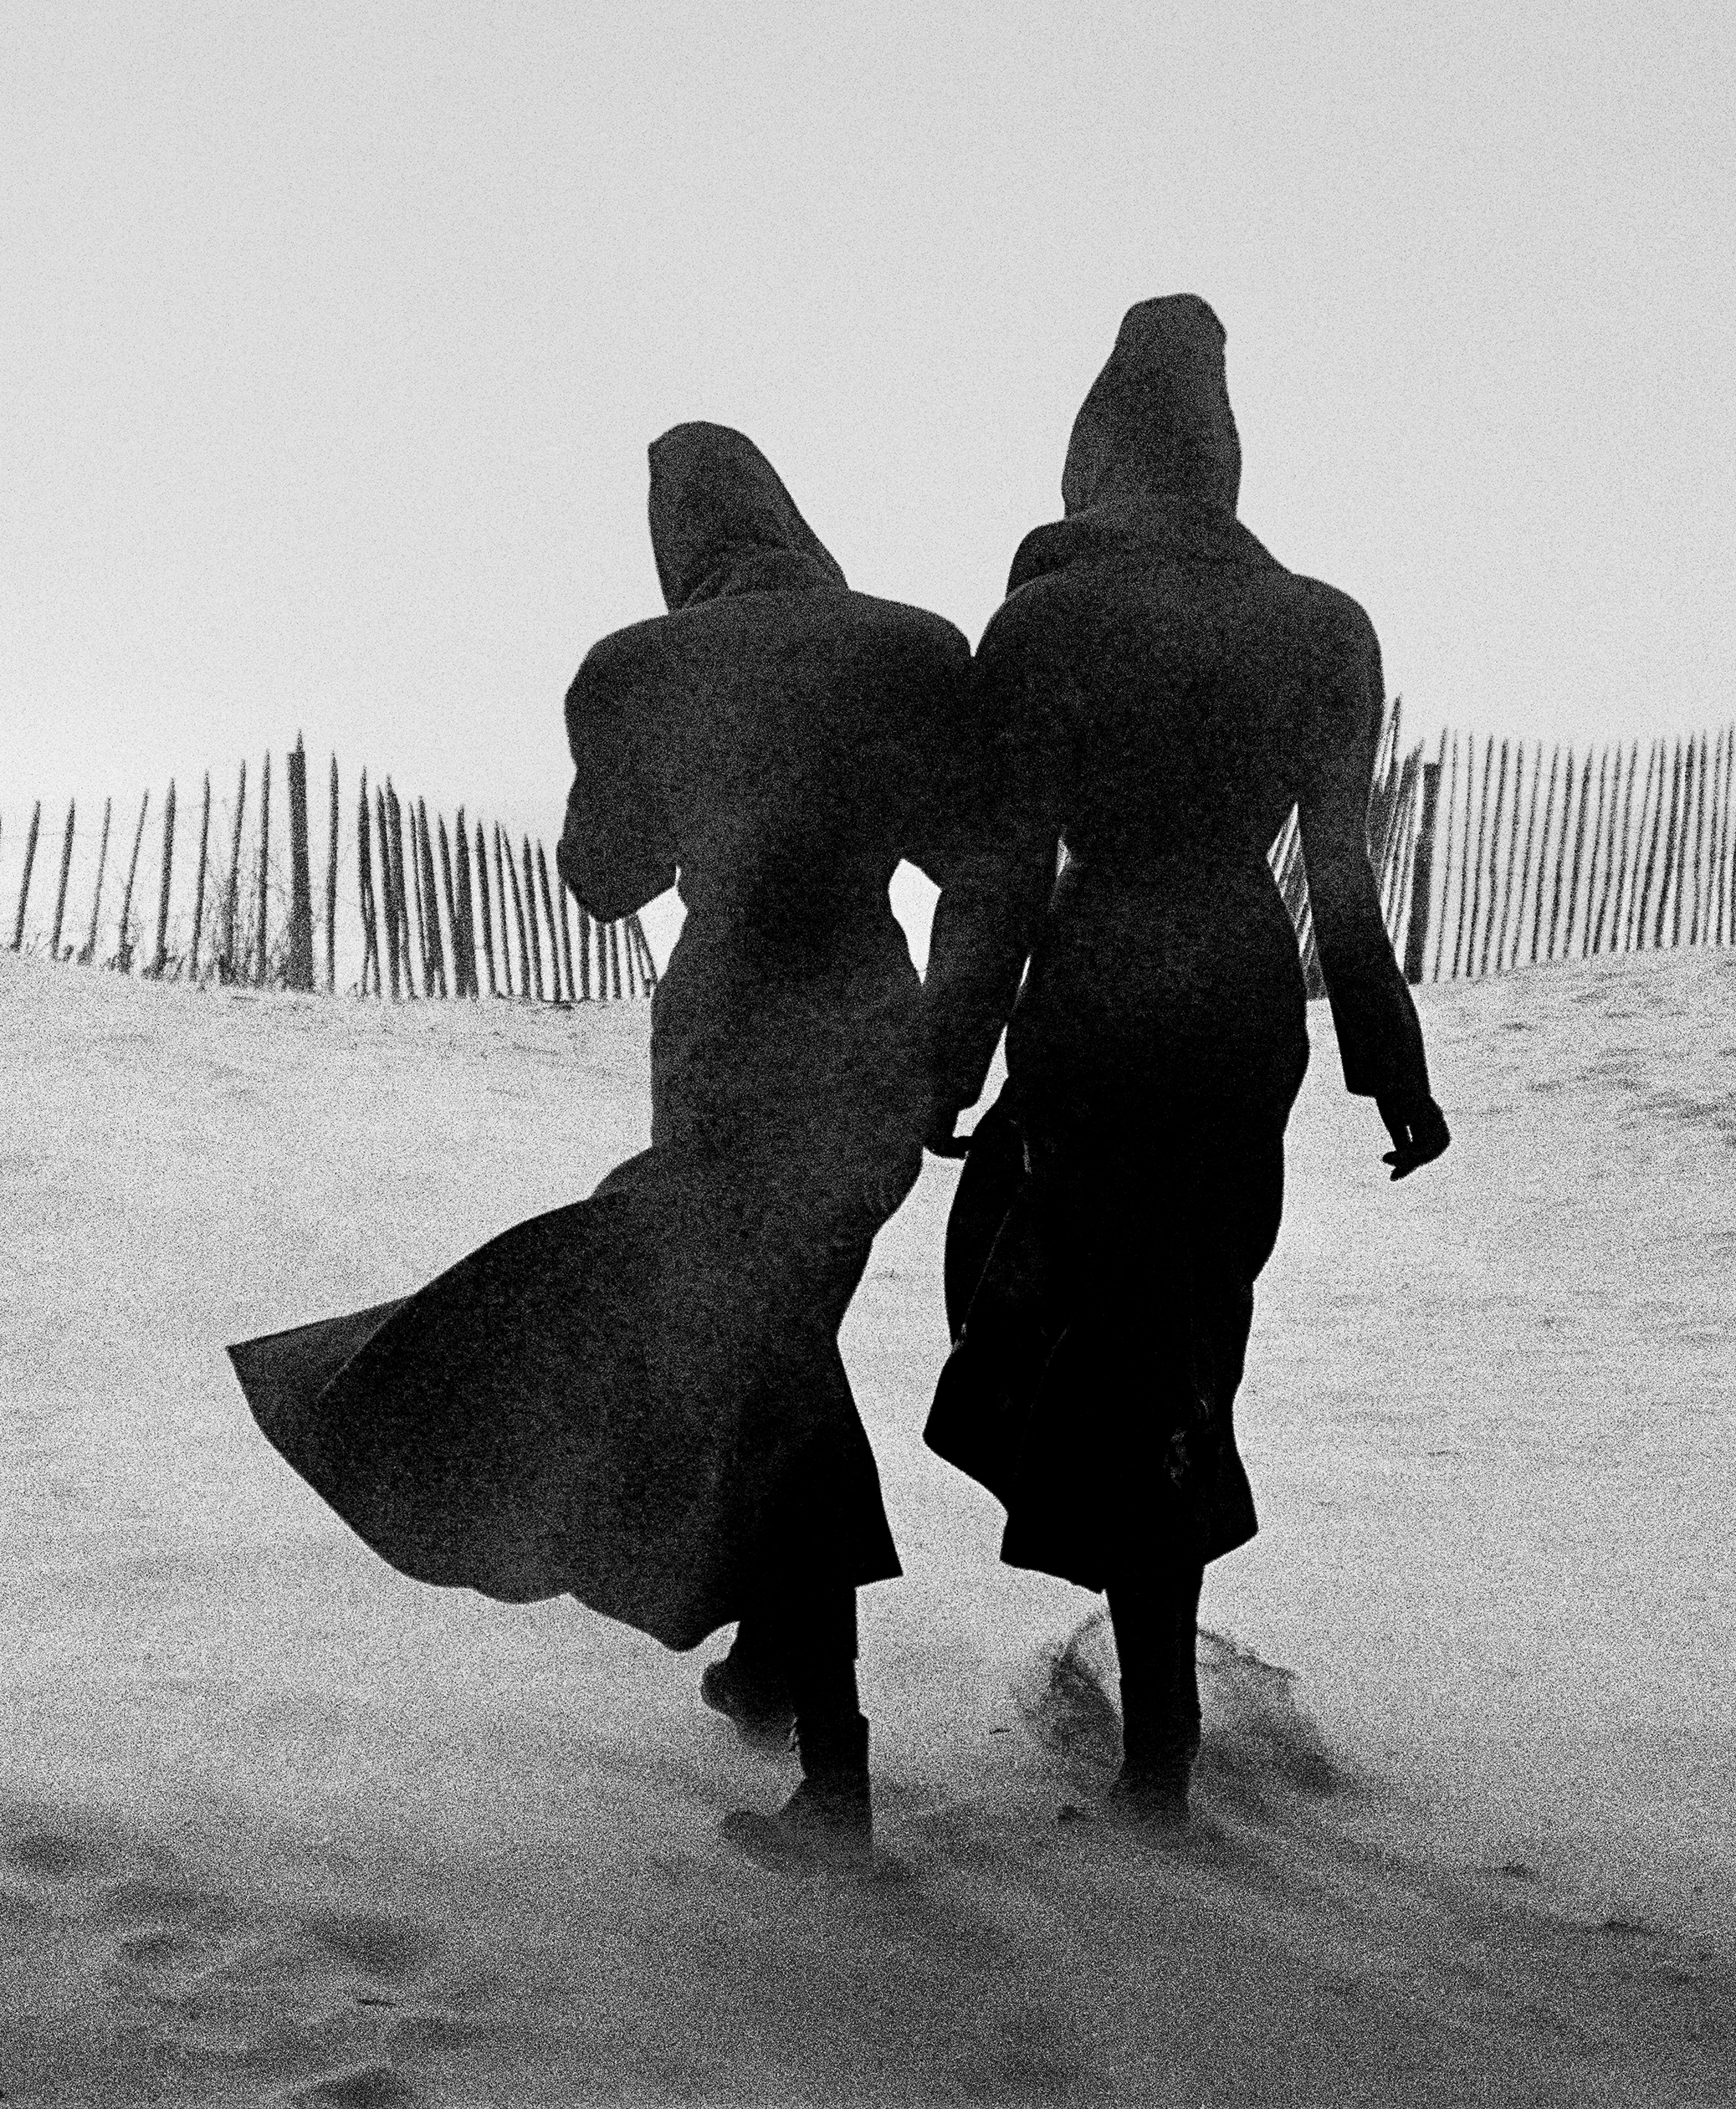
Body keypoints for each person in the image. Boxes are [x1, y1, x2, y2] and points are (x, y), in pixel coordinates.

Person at [230, 424, 968, 1868]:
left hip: (732, 1044)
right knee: (775, 1347)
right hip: (867, 1039)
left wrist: (668, 772)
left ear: (671, 539)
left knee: (773, 1365)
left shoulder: (633, 667)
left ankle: (835, 1775)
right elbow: (977, 861)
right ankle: (770, 1666)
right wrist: (948, 1049)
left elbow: (596, 878)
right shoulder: (910, 648)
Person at [919, 295, 1450, 1830]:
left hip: (1095, 986)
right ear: (1223, 454)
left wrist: (947, 1057)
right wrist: (1387, 1063)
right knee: (1184, 1336)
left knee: (1050, 1302)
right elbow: (1340, 882)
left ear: (1096, 448)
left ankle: (1152, 1725)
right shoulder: (1320, 624)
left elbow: (1003, 878)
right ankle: (1155, 1704)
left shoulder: (1047, 621)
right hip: (1233, 1001)